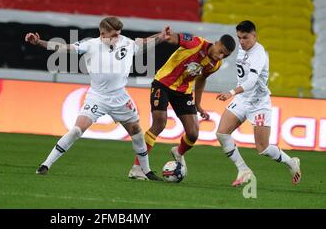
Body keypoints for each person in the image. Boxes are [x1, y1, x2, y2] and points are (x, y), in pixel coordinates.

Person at [26, 16, 170, 180]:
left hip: (120, 98)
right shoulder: (91, 45)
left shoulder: (125, 42)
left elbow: (144, 42)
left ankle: (146, 171)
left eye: (119, 34)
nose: (118, 38)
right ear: (102, 33)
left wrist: (161, 36)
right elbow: (64, 47)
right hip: (97, 98)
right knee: (76, 130)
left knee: (136, 130)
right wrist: (39, 42)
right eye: (114, 35)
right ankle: (45, 164)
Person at [129, 29, 236, 180]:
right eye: (220, 51)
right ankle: (137, 168)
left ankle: (178, 152)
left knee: (193, 133)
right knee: (159, 122)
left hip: (183, 92)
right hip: (163, 84)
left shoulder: (216, 64)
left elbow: (201, 79)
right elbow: (175, 39)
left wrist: (198, 105)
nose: (220, 56)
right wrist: (167, 37)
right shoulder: (196, 43)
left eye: (225, 55)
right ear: (217, 43)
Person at [216, 20, 301, 186]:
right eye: (239, 37)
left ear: (254, 36)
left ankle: (291, 162)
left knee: (262, 148)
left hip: (258, 103)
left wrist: (231, 93)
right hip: (242, 100)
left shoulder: (259, 53)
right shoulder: (242, 49)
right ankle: (244, 170)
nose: (241, 41)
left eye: (245, 37)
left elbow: (252, 81)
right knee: (222, 133)